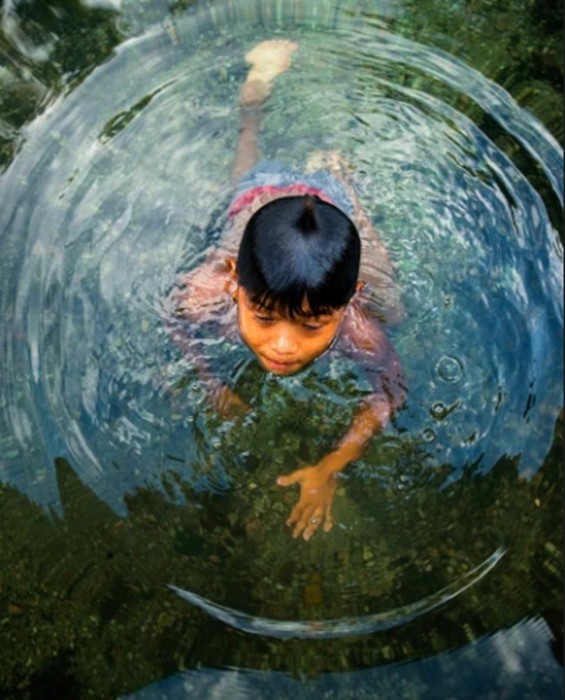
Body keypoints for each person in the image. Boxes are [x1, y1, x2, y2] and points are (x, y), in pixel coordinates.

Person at [168, 40, 406, 541]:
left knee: (394, 306)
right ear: (235, 281)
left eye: (312, 324)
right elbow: (177, 323)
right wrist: (212, 384)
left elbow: (390, 390)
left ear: (347, 301)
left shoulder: (358, 328)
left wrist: (332, 465)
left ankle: (342, 182)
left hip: (330, 208)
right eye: (265, 314)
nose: (282, 346)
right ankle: (253, 99)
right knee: (243, 163)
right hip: (258, 201)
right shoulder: (206, 291)